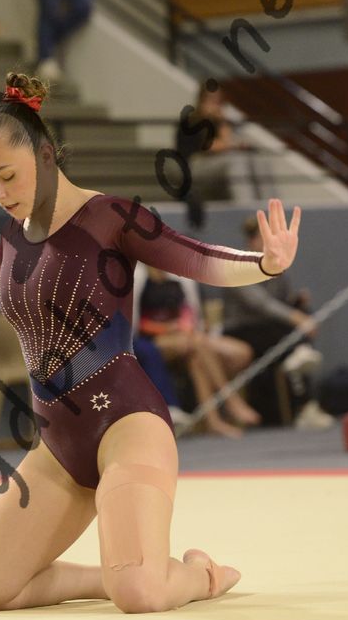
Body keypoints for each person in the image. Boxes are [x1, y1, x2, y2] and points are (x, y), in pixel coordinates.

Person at [0, 71, 302, 614]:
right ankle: (116, 573)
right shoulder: (14, 237)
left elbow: (194, 257)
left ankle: (197, 573)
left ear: (45, 155)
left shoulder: (110, 217)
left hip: (127, 428)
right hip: (59, 447)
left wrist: (264, 264)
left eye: (7, 175)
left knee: (140, 597)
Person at [221, 216, 334, 430]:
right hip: (242, 330)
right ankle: (300, 358)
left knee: (299, 316)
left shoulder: (276, 264)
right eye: (264, 238)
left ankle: (300, 365)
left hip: (269, 329)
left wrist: (296, 302)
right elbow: (260, 304)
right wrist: (294, 317)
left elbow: (282, 299)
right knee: (291, 329)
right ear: (251, 241)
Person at [135, 265, 260, 438]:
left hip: (185, 336)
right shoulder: (139, 278)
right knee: (198, 344)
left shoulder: (175, 278)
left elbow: (187, 310)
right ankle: (230, 399)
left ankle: (213, 421)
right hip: (153, 339)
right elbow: (135, 321)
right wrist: (166, 328)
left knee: (199, 358)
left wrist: (185, 326)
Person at [176, 82, 262, 215]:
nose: (215, 104)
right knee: (235, 161)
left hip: (214, 163)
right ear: (202, 100)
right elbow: (208, 146)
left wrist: (222, 122)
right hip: (193, 165)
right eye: (212, 100)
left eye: (218, 100)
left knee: (254, 159)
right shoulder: (191, 120)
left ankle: (266, 207)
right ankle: (247, 211)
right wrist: (233, 144)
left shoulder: (218, 120)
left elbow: (226, 142)